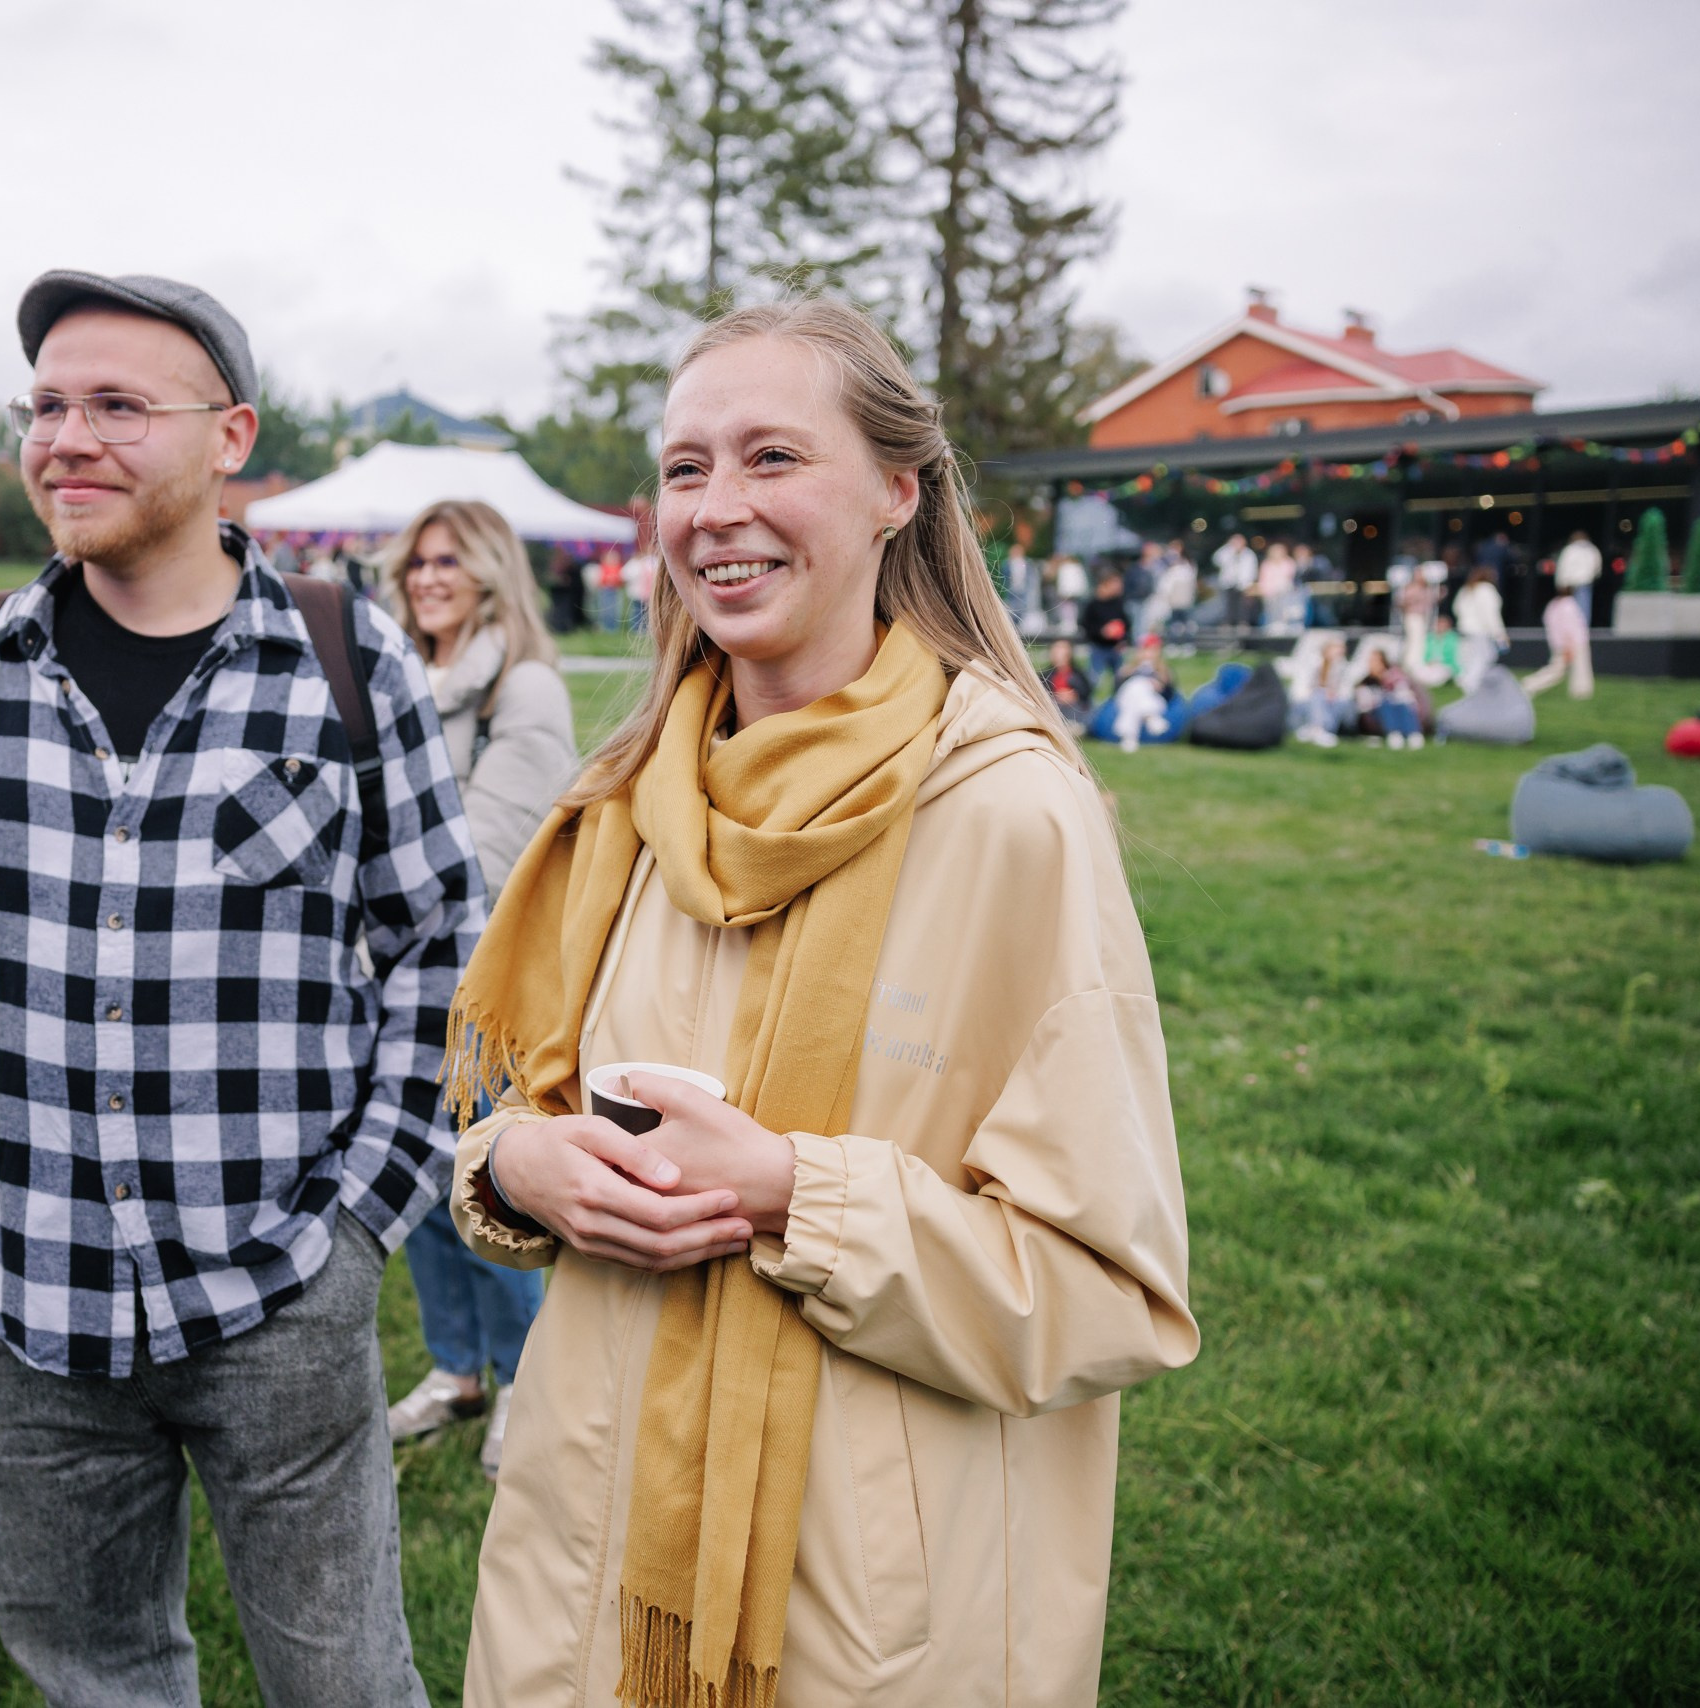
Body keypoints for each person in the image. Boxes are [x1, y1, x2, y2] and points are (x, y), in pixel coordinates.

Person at [443, 297, 1194, 1707]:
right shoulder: (620, 802)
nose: (717, 509)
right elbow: (511, 1128)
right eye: (685, 468)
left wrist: (794, 1193)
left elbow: (1107, 1293)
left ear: (897, 492)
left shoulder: (1015, 818)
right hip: (576, 1572)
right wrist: (522, 1163)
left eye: (773, 458)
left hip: (860, 1620)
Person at [0, 271, 478, 1708]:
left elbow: (441, 952)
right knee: (97, 1678)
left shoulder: (348, 665)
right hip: (18, 1297)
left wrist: (362, 1219)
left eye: (118, 404)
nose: (68, 438)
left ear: (230, 435)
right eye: (47, 405)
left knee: (346, 1683)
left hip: (276, 1294)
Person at [382, 498, 577, 1477]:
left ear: (492, 571)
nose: (428, 577)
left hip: (483, 984)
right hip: (395, 977)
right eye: (417, 561)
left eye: (449, 560)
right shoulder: (400, 675)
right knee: (416, 1185)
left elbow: (484, 851)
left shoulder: (522, 687)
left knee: (485, 1180)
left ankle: (521, 1378)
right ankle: (456, 1368)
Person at [1520, 582, 1595, 701]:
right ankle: (1580, 693)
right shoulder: (1568, 605)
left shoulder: (1553, 606)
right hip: (1572, 644)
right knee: (1566, 670)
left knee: (1557, 670)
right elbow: (1571, 628)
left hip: (1559, 644)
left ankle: (1530, 685)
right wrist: (1569, 646)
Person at [1452, 564, 1509, 691]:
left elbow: (1456, 608)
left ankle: (1465, 680)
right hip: (1479, 630)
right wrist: (1499, 633)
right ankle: (1472, 684)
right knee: (1483, 657)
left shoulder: (1466, 589)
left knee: (1469, 657)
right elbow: (1491, 614)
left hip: (1464, 628)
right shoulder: (1487, 590)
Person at [1296, 633, 1351, 746]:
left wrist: (1333, 694)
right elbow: (1303, 687)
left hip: (1333, 701)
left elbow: (1345, 689)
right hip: (1309, 701)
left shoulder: (1342, 665)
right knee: (1318, 695)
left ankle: (1317, 729)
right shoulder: (1313, 662)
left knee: (1336, 701)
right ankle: (1319, 729)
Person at [1078, 567, 1129, 682]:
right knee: (1093, 679)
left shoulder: (1118, 603)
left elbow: (1126, 623)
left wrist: (1123, 638)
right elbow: (1085, 626)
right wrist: (1102, 632)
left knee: (1120, 679)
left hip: (1116, 647)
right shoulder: (1092, 605)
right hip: (1098, 647)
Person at [1041, 636, 1094, 733]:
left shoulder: (1078, 674)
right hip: (1055, 709)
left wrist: (1074, 695)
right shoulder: (1045, 676)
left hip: (1075, 710)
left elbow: (1086, 693)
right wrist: (1056, 696)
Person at [1554, 529, 1602, 625]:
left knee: (1570, 605)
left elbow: (1563, 567)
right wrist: (1594, 576)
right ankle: (1582, 626)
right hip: (1585, 580)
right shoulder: (1592, 549)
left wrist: (1560, 582)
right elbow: (1597, 566)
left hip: (1571, 582)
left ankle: (1571, 625)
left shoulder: (1569, 549)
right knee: (1584, 604)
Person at [1214, 531, 1258, 628]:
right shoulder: (1226, 552)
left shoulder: (1249, 554)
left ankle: (1243, 623)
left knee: (1243, 605)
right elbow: (1216, 560)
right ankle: (1228, 622)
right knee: (1228, 604)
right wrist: (1229, 548)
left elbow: (1252, 570)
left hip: (1243, 584)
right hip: (1228, 583)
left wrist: (1250, 584)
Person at [1256, 541, 1299, 634]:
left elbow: (1290, 578)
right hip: (1270, 593)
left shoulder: (1289, 563)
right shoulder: (1266, 564)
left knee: (1285, 609)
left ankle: (1285, 626)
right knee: (1271, 610)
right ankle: (1273, 626)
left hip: (1285, 591)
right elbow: (1263, 579)